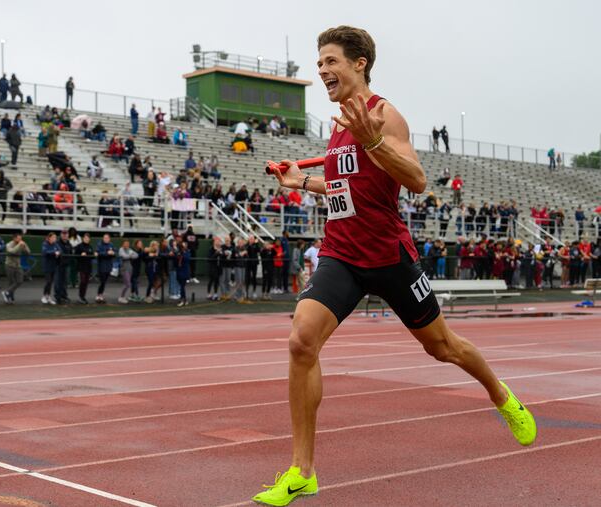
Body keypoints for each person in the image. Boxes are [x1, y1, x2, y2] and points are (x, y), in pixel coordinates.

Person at [253, 25, 536, 506]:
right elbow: (348, 187)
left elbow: (418, 180)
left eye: (330, 61)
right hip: (341, 254)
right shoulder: (340, 124)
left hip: (389, 257)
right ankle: (303, 471)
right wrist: (303, 180)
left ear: (359, 63)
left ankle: (500, 394)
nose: (322, 70)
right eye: (319, 63)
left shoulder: (383, 115)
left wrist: (375, 141)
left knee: (443, 348)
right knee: (302, 342)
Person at [96, 234, 116, 303]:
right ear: (103, 238)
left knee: (104, 282)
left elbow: (115, 252)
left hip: (108, 266)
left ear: (109, 239)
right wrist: (107, 253)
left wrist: (113, 253)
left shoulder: (111, 244)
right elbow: (98, 253)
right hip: (102, 266)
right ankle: (98, 295)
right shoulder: (99, 244)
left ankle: (101, 294)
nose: (106, 239)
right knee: (102, 281)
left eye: (107, 238)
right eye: (105, 238)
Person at [74, 232, 94, 304]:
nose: (86, 239)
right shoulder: (79, 246)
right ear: (83, 238)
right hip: (81, 267)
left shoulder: (90, 247)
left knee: (86, 283)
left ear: (89, 239)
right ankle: (80, 296)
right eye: (85, 238)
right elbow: (75, 255)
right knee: (82, 282)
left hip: (88, 267)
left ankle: (83, 297)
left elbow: (92, 256)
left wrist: (91, 255)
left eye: (88, 238)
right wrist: (80, 254)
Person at [118, 240, 138, 304]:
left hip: (130, 268)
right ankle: (121, 297)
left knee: (127, 284)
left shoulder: (129, 249)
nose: (127, 245)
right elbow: (124, 256)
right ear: (123, 244)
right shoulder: (121, 249)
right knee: (128, 284)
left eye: (128, 244)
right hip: (124, 269)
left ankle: (122, 297)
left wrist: (129, 255)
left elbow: (136, 255)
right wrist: (130, 255)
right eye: (125, 244)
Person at [55, 229, 72, 304]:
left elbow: (71, 253)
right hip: (59, 265)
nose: (65, 235)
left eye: (66, 234)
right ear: (61, 235)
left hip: (66, 265)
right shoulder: (57, 243)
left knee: (65, 281)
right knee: (58, 281)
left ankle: (64, 296)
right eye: (63, 234)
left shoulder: (69, 244)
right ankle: (58, 297)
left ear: (68, 235)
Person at [176, 241, 191, 307]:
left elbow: (186, 258)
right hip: (179, 270)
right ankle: (184, 299)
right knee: (181, 286)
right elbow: (175, 259)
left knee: (182, 286)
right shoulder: (178, 252)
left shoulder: (187, 252)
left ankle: (183, 300)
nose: (183, 246)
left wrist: (182, 254)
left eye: (184, 245)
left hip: (185, 271)